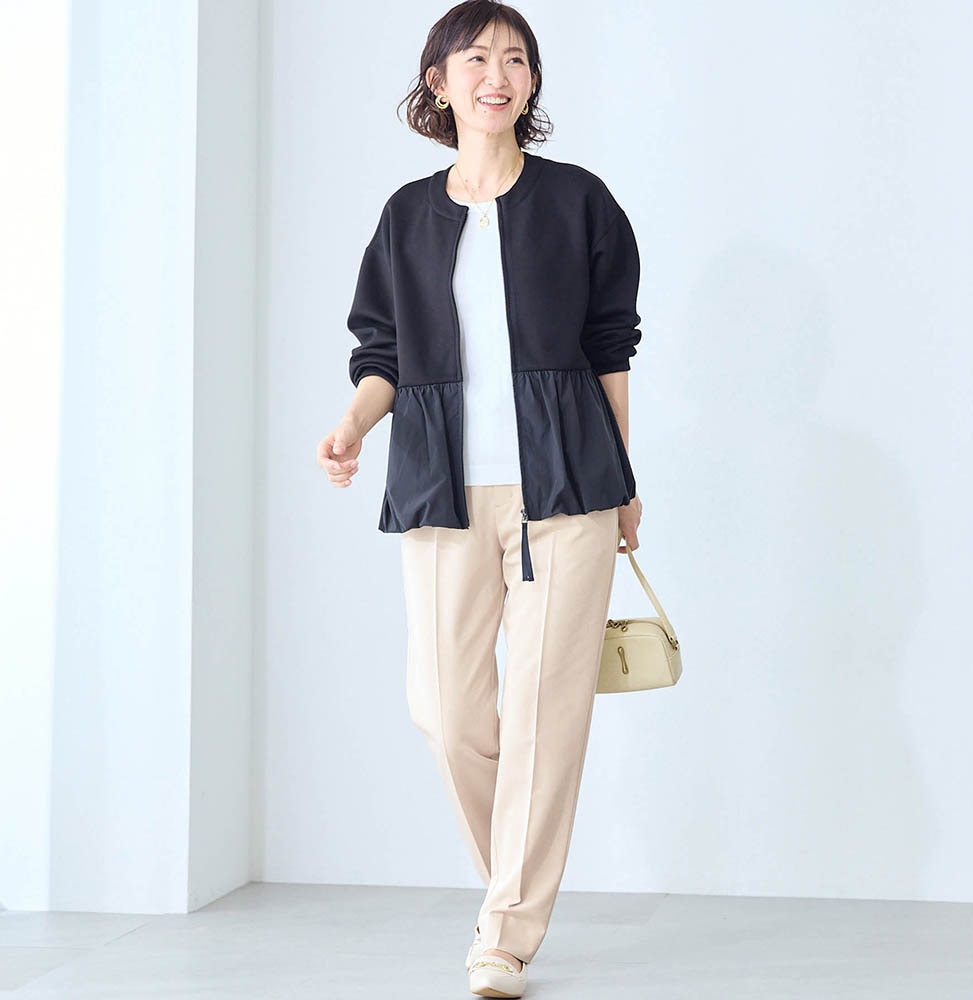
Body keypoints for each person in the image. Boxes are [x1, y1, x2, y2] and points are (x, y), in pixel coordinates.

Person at [315, 1, 643, 995]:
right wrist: (353, 425)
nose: (496, 75)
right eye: (476, 58)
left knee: (545, 714)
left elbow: (610, 347)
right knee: (448, 711)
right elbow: (381, 350)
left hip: (567, 490)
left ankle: (503, 931)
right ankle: (514, 882)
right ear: (440, 81)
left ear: (531, 83)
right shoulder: (407, 215)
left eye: (515, 59)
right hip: (440, 488)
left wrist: (623, 479)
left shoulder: (579, 200)